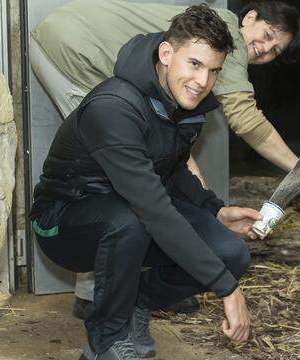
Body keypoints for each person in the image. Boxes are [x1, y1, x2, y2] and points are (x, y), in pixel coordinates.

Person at [29, 0, 300, 318]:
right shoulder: (225, 43)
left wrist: (211, 208)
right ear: (250, 17)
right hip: (72, 49)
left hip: (65, 34)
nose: (266, 48)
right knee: (123, 185)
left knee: (149, 172)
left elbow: (173, 158)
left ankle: (128, 291)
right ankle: (101, 300)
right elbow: (247, 121)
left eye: (275, 51)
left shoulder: (214, 41)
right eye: (268, 34)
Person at [30, 5, 260, 359]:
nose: (203, 82)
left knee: (229, 252)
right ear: (167, 53)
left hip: (132, 218)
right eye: (195, 64)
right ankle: (105, 339)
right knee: (134, 218)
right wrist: (227, 290)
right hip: (64, 223)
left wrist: (214, 209)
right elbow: (153, 207)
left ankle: (136, 303)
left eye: (214, 71)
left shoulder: (186, 102)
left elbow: (174, 168)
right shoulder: (114, 107)